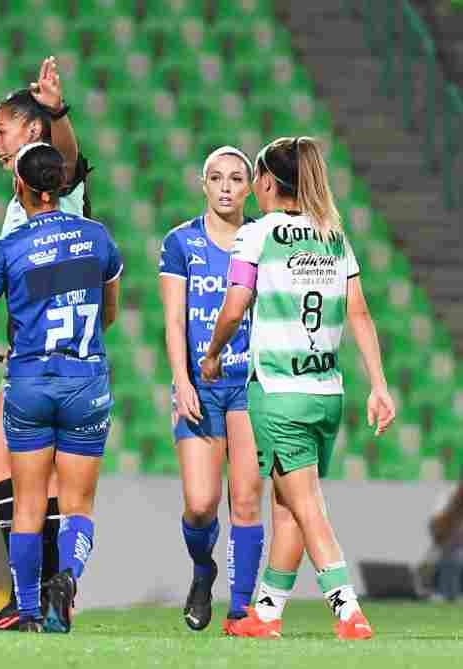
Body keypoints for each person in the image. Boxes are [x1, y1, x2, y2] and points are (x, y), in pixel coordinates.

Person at [200, 136, 396, 640]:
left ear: (265, 181)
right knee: (288, 502)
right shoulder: (334, 236)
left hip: (279, 389)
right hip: (327, 392)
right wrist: (379, 384)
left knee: (305, 505)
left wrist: (214, 350)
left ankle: (346, 607)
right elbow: (360, 313)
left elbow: (237, 302)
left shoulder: (257, 234)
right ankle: (265, 613)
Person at [0, 143, 123, 633]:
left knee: (29, 504)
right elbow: (109, 310)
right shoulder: (98, 238)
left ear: (21, 186)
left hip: (30, 381)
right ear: (57, 184)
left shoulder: (8, 246)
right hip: (85, 381)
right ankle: (68, 578)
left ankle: (31, 611)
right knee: (77, 505)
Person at [0, 56, 91, 631]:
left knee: (0, 460)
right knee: (6, 465)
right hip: (32, 353)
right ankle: (42, 594)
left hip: (49, 365)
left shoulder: (55, 186)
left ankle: (37, 592)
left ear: (31, 131)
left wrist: (56, 110)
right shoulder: (18, 200)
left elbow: (68, 157)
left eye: (1, 129)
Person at [158, 147, 266, 633]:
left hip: (249, 385)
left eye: (236, 178)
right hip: (200, 386)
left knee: (245, 499)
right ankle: (204, 572)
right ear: (203, 184)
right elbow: (173, 321)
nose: (226, 187)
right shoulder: (181, 242)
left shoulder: (264, 240)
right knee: (201, 505)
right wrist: (181, 381)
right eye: (216, 178)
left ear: (250, 187)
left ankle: (240, 610)